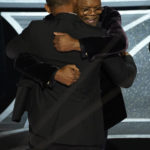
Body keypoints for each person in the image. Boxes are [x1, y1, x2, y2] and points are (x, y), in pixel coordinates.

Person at [6, 0, 122, 150]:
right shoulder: (99, 34)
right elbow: (123, 77)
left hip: (43, 135)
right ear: (76, 3)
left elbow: (12, 52)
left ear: (47, 8)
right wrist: (127, 58)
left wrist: (49, 73)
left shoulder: (35, 29)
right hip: (88, 135)